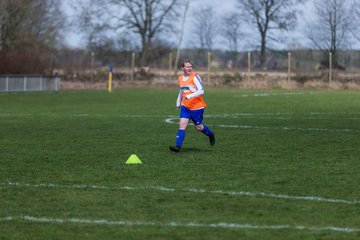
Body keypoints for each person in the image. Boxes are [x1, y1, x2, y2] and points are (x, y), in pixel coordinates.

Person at [169, 59, 215, 152]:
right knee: (182, 125)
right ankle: (178, 147)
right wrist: (178, 102)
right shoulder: (180, 78)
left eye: (190, 66)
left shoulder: (195, 77)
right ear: (183, 68)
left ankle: (210, 134)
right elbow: (182, 91)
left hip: (196, 106)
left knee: (199, 127)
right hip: (185, 105)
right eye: (187, 67)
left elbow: (201, 90)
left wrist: (189, 96)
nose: (189, 68)